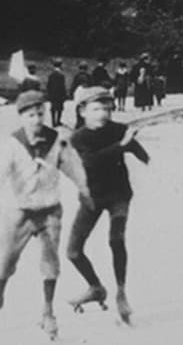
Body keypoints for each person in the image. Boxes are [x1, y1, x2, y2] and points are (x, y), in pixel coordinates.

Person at [0, 91, 93, 340]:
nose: (37, 119)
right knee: (5, 263)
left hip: (49, 211)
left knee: (50, 265)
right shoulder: (12, 144)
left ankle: (48, 311)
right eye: (30, 115)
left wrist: (85, 190)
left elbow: (73, 166)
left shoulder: (57, 141)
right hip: (20, 212)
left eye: (40, 113)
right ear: (21, 117)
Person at [66, 87, 150, 324]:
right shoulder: (79, 137)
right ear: (82, 111)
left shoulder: (119, 130)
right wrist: (122, 145)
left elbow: (141, 154)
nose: (102, 113)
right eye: (95, 109)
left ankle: (121, 292)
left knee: (116, 239)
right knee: (73, 251)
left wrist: (136, 146)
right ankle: (96, 288)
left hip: (118, 195)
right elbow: (91, 163)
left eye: (107, 108)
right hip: (92, 197)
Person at [70, 61, 92, 128]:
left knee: (78, 107)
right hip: (86, 93)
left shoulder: (77, 76)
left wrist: (71, 93)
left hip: (79, 93)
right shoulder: (88, 76)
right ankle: (84, 122)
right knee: (86, 108)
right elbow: (91, 85)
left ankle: (79, 122)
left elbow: (74, 85)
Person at [47, 58, 67, 127]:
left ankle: (53, 122)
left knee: (53, 108)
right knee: (60, 108)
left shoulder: (51, 75)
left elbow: (48, 85)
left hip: (52, 94)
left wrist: (49, 93)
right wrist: (64, 95)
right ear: (60, 66)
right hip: (59, 94)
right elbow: (62, 86)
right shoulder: (61, 75)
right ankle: (58, 121)